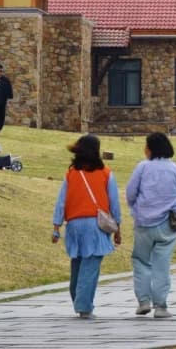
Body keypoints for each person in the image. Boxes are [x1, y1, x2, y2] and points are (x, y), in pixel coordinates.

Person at [52, 134, 121, 318]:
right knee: (90, 267)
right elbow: (114, 203)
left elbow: (61, 201)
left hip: (74, 224)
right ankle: (83, 306)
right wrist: (118, 228)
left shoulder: (72, 173)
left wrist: (56, 226)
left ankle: (77, 297)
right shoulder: (105, 172)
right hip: (95, 225)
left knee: (77, 263)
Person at [124, 131, 176, 318]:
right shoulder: (175, 169)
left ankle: (143, 301)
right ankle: (161, 306)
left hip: (143, 223)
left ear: (150, 149)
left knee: (141, 261)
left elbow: (130, 193)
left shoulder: (142, 167)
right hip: (167, 224)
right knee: (162, 264)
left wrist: (137, 208)